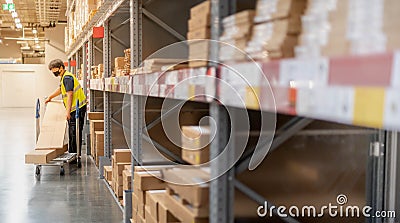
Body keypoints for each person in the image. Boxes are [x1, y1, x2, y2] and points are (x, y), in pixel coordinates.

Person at [45, 59, 87, 156]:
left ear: (61, 68)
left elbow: (70, 95)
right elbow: (61, 89)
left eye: (54, 70)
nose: (54, 72)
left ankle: (75, 155)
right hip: (75, 108)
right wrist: (50, 97)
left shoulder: (67, 78)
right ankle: (72, 152)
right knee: (72, 131)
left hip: (77, 108)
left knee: (74, 132)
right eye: (52, 71)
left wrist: (67, 112)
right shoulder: (64, 77)